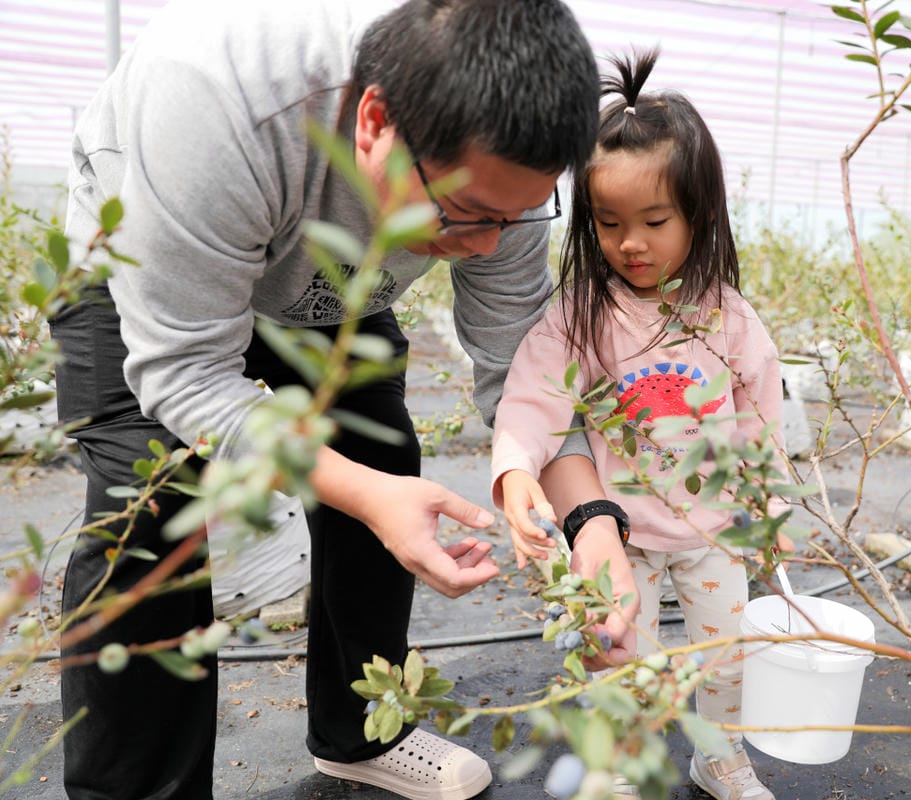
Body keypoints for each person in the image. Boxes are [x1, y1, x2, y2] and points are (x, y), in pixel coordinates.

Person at [49, 2, 637, 799]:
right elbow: (185, 372)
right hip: (150, 272)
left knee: (381, 453)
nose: (487, 245)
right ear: (374, 122)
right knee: (150, 507)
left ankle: (360, 733)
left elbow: (521, 373)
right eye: (465, 216)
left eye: (513, 216)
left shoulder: (506, 182)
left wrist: (590, 521)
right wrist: (366, 498)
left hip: (321, 289)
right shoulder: (215, 98)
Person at [490, 50, 793, 800]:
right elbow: (531, 398)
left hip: (714, 532)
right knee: (619, 659)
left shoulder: (729, 318)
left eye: (655, 221)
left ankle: (721, 759)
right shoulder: (582, 317)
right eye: (610, 223)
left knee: (727, 659)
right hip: (621, 535)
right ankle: (619, 764)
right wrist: (516, 467)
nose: (632, 243)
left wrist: (770, 508)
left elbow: (760, 415)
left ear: (700, 212)